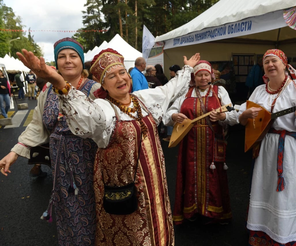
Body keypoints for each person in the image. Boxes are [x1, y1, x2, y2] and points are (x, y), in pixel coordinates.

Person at [15, 47, 200, 245]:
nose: (120, 79)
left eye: (122, 73)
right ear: (102, 84)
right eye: (111, 76)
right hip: (124, 190)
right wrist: (59, 82)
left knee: (159, 225)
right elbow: (84, 114)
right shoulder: (104, 108)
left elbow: (170, 88)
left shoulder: (143, 99)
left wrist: (187, 69)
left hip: (155, 184)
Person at [0, 37, 100, 245]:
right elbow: (37, 125)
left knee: (92, 214)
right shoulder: (47, 90)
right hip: (60, 167)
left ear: (82, 62)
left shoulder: (95, 89)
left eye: (73, 56)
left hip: (91, 164)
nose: (68, 60)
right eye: (62, 57)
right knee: (66, 214)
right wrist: (14, 152)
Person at [238, 49, 296, 245]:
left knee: (286, 194)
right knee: (264, 189)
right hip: (265, 147)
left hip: (290, 148)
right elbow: (242, 120)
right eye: (266, 62)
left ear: (284, 64)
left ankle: (286, 236)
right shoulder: (259, 90)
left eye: (274, 61)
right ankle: (263, 233)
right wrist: (245, 115)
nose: (270, 65)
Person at [164, 60, 239, 225]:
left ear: (211, 75)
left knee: (213, 176)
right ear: (194, 77)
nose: (203, 78)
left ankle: (212, 212)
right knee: (190, 174)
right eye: (199, 75)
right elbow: (170, 112)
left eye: (206, 74)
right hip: (189, 143)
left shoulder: (220, 91)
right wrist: (174, 116)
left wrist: (222, 116)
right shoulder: (186, 92)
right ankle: (193, 210)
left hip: (213, 143)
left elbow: (232, 114)